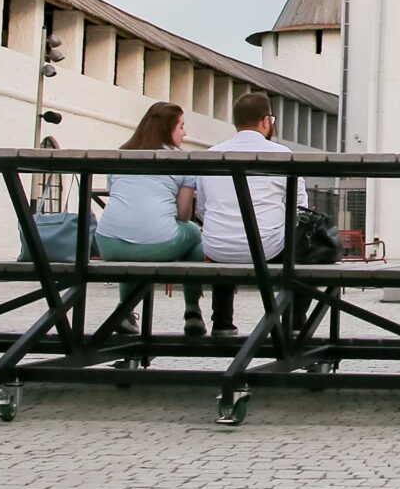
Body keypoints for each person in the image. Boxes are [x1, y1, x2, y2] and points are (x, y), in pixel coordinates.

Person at [95, 99, 207, 335]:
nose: (185, 133)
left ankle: (125, 311)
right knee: (195, 234)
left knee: (133, 242)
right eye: (181, 126)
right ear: (169, 129)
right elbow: (183, 215)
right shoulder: (182, 160)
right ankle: (192, 310)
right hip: (155, 244)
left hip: (107, 242)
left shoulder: (120, 154)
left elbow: (116, 194)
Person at [196, 91, 299, 335]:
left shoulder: (211, 155)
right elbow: (298, 210)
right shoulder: (283, 154)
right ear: (266, 121)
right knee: (299, 241)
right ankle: (295, 321)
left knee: (227, 233)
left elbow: (201, 208)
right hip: (268, 249)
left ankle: (222, 321)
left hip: (217, 248)